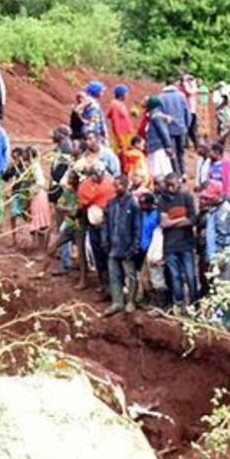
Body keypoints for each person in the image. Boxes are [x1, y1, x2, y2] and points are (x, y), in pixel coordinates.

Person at [200, 183, 230, 330]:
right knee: (219, 287)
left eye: (208, 198)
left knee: (229, 287)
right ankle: (220, 316)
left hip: (225, 257)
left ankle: (229, 321)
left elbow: (224, 239)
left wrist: (218, 259)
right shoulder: (215, 210)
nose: (206, 200)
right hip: (217, 256)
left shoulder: (223, 212)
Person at [157, 173, 198, 312]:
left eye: (173, 185)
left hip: (186, 244)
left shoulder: (187, 197)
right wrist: (181, 220)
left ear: (179, 183)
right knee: (175, 276)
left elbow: (192, 220)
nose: (170, 188)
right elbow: (164, 223)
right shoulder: (162, 200)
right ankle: (179, 304)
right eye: (168, 185)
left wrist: (172, 221)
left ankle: (194, 305)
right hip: (170, 246)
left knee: (191, 275)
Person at [104, 174, 142, 315]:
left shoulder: (133, 203)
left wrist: (134, 246)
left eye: (119, 185)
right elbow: (105, 223)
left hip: (127, 246)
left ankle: (131, 301)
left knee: (130, 275)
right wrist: (105, 240)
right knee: (114, 275)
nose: (116, 187)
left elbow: (137, 227)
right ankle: (117, 302)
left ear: (125, 186)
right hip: (113, 246)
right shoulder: (111, 203)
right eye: (115, 185)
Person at [77, 166, 116, 291]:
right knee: (97, 253)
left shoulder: (110, 183)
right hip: (93, 224)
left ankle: (113, 285)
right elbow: (83, 203)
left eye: (100, 174)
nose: (98, 177)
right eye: (95, 175)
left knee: (108, 252)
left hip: (109, 223)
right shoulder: (85, 186)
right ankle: (103, 284)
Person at [159, 79, 191, 176]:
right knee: (181, 152)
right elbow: (187, 112)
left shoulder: (161, 97)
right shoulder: (181, 96)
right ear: (174, 84)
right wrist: (186, 126)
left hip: (168, 130)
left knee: (172, 153)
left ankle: (177, 174)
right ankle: (183, 172)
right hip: (181, 128)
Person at [27, 145, 53, 254]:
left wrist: (30, 191)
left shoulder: (35, 167)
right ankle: (39, 249)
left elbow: (40, 183)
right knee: (39, 222)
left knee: (41, 224)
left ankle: (41, 250)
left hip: (38, 196)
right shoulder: (32, 166)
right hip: (36, 196)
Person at [143, 96, 175, 180]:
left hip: (157, 146)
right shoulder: (155, 115)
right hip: (156, 146)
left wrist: (168, 146)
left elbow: (163, 132)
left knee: (159, 170)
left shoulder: (156, 117)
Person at [108, 84, 134, 158]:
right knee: (121, 155)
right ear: (122, 95)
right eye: (126, 93)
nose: (127, 95)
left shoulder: (121, 104)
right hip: (122, 136)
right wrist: (119, 138)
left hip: (126, 134)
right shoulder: (115, 105)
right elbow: (115, 123)